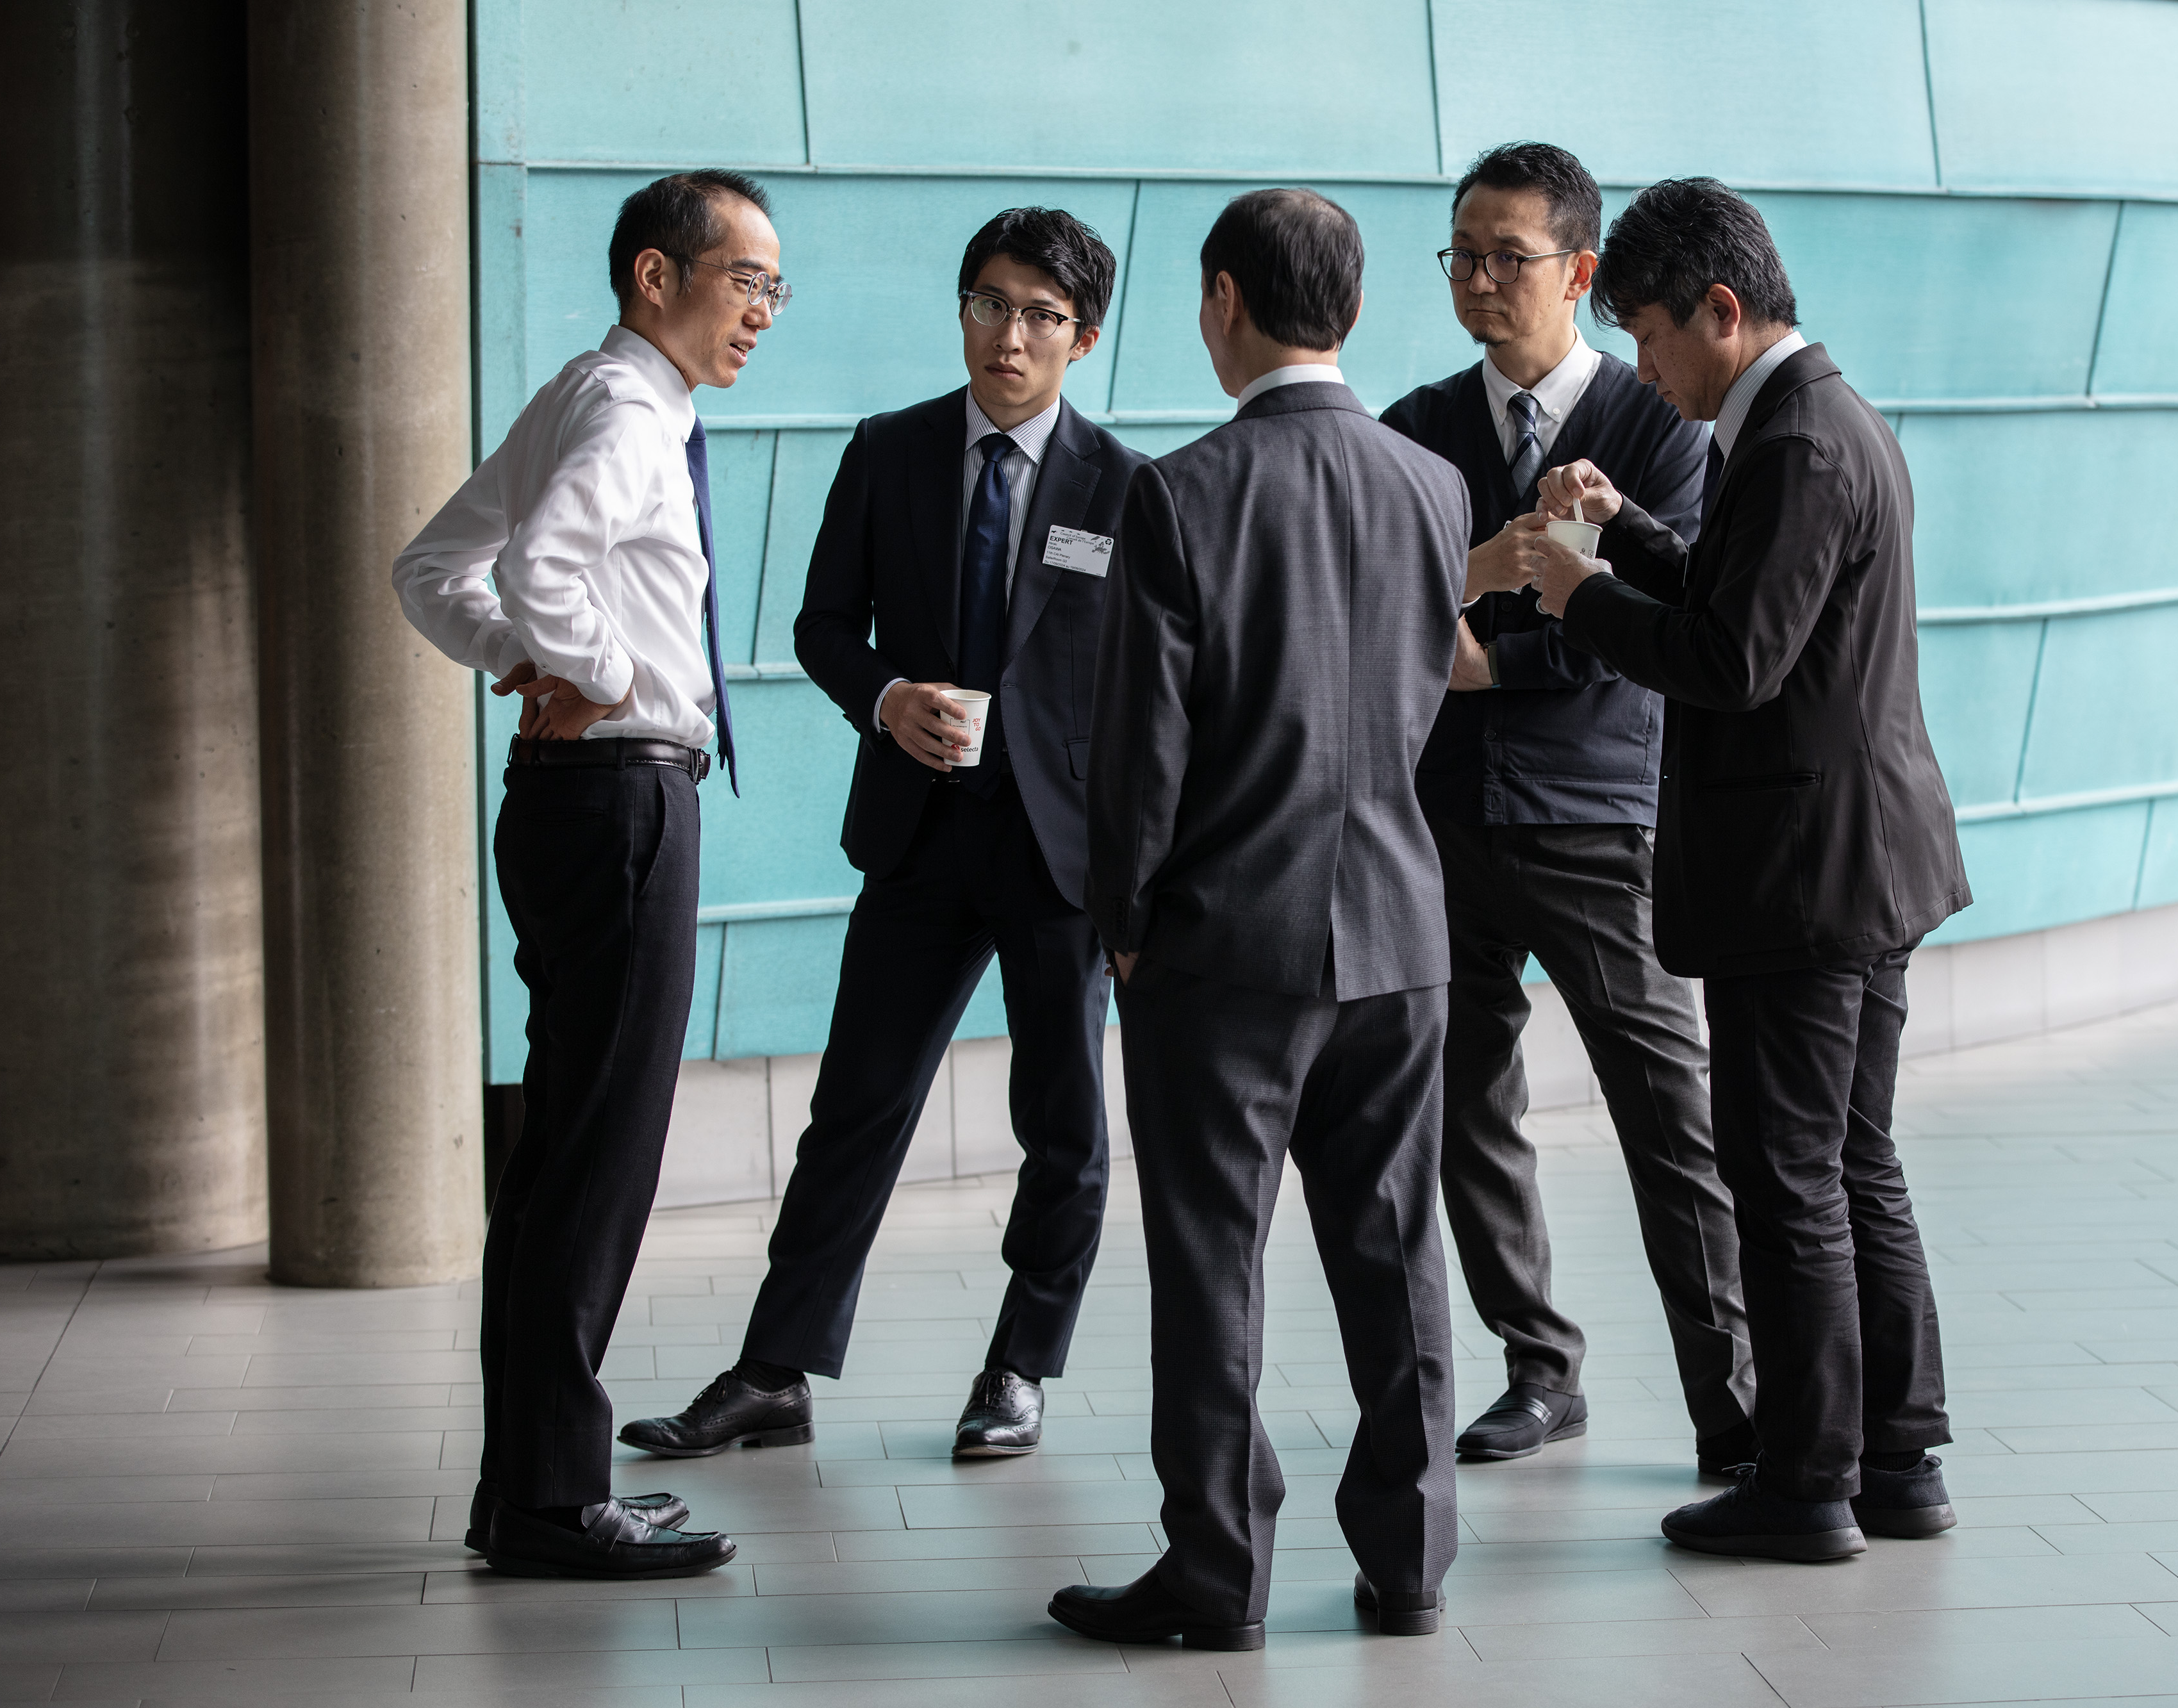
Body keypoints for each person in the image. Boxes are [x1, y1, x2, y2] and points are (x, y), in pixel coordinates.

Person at [618, 209, 1145, 1463]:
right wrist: (887, 697)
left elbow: (1146, 683)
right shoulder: (889, 451)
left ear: (1082, 337)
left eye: (1040, 315)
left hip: (1058, 852)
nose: (1008, 336)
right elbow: (820, 627)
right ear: (961, 309)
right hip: (917, 833)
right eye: (988, 304)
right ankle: (774, 1369)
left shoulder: (1128, 488)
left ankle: (1019, 1365)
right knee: (855, 1104)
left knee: (1062, 1120)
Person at [1048, 190, 1467, 1650]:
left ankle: (1217, 1573)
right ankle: (1410, 1561)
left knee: (1211, 1261)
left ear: (1223, 297)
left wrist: (1123, 917)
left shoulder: (1180, 492)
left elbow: (1140, 749)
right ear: (1348, 307)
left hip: (1225, 944)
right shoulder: (1433, 484)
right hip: (1402, 933)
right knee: (1396, 1251)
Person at [1530, 177, 1967, 1562]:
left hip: (1803, 877)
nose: (1643, 370)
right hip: (1859, 859)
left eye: (1649, 336)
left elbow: (1731, 660)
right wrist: (1626, 529)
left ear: (1720, 310)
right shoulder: (1812, 421)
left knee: (1785, 1178)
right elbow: (1748, 594)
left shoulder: (1794, 443)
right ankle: (1894, 1460)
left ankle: (1805, 1480)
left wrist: (1578, 595)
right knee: (1850, 1160)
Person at [392, 168, 786, 1579]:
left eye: (775, 288)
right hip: (622, 799)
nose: (763, 311)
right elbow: (538, 567)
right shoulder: (624, 411)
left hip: (575, 802)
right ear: (654, 276)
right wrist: (597, 671)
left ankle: (526, 1487)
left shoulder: (590, 393)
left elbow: (434, 568)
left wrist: (525, 661)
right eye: (744, 280)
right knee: (599, 1159)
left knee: (562, 1152)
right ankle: (556, 1500)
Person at [1380, 141, 1754, 1474]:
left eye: (1508, 257)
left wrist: (1493, 658)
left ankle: (1736, 1403)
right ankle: (1539, 1366)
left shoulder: (1657, 423)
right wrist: (1474, 630)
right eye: (1461, 255)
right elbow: (1383, 603)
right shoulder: (1414, 427)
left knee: (1669, 1114)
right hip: (1441, 819)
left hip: (1597, 817)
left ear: (1579, 271)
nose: (1479, 279)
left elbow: (1655, 614)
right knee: (1464, 1107)